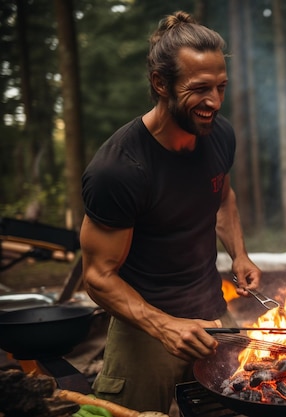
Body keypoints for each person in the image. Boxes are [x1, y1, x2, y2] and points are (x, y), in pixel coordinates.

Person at [79, 11, 262, 414]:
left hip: (213, 316)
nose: (213, 101)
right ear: (161, 83)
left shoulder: (219, 135)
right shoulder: (120, 170)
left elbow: (223, 197)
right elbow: (97, 276)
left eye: (221, 87)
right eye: (199, 89)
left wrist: (239, 253)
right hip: (145, 327)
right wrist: (164, 326)